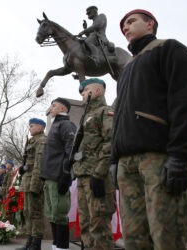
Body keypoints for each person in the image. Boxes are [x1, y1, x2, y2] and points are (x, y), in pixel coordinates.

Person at [111, 9, 187, 249]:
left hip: (158, 160)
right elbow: (120, 117)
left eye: (131, 22)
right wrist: (114, 159)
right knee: (133, 238)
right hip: (127, 165)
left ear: (150, 24)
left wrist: (180, 156)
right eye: (123, 27)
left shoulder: (169, 49)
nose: (126, 28)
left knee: (166, 235)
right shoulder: (126, 70)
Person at [73, 78, 116, 249]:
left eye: (86, 90)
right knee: (85, 223)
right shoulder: (86, 117)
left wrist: (99, 173)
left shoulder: (105, 112)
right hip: (83, 174)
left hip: (97, 175)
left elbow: (110, 142)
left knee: (99, 224)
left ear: (98, 91)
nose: (82, 93)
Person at [40, 98, 77, 250]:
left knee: (60, 213)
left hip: (58, 176)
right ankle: (56, 245)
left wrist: (66, 175)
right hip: (49, 177)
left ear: (63, 109)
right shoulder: (55, 125)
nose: (51, 108)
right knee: (52, 213)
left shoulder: (66, 125)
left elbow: (71, 150)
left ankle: (62, 247)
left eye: (54, 105)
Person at [16, 118, 47, 250]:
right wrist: (24, 168)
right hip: (27, 181)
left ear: (41, 127)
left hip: (35, 182)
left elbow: (39, 164)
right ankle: (29, 241)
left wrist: (35, 184)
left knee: (35, 213)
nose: (30, 128)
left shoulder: (42, 140)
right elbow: (30, 163)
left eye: (32, 126)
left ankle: (36, 244)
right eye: (30, 126)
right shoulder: (33, 141)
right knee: (28, 212)